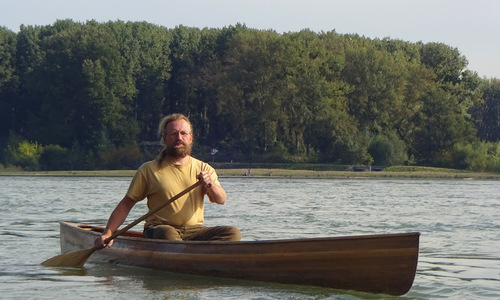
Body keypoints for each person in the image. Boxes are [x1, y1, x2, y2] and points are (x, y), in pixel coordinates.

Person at [94, 113, 241, 248]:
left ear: (191, 138)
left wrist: (209, 184)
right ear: (165, 139)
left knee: (233, 233)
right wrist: (108, 233)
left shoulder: (204, 168)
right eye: (173, 134)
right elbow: (126, 204)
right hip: (160, 230)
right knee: (167, 233)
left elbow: (221, 199)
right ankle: (190, 258)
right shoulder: (149, 169)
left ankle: (200, 258)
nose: (179, 138)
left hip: (194, 231)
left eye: (184, 133)